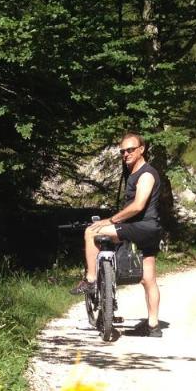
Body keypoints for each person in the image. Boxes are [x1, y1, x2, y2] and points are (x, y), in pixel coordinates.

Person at [70, 133, 163, 336]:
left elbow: (138, 205)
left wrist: (111, 220)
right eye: (122, 151)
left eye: (130, 149)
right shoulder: (133, 172)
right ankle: (154, 326)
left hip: (141, 227)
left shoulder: (146, 174)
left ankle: (91, 278)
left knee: (90, 231)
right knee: (148, 278)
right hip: (150, 229)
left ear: (142, 149)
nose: (126, 154)